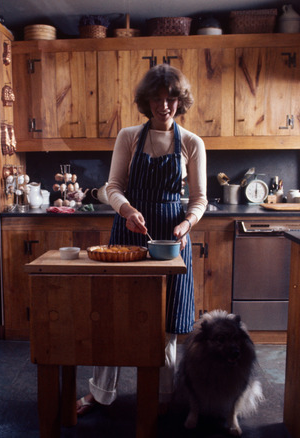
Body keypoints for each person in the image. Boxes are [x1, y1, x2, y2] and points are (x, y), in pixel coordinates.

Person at [76, 63, 208, 415]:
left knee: (165, 322)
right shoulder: (129, 136)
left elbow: (199, 199)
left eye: (171, 99)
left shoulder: (193, 143)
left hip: (171, 241)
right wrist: (127, 211)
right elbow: (114, 187)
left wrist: (188, 224)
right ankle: (100, 393)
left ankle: (162, 399)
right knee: (115, 314)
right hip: (128, 235)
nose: (164, 106)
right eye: (156, 99)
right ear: (146, 101)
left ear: (181, 101)